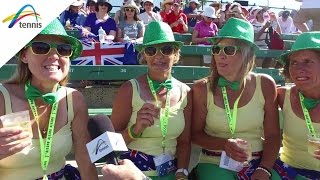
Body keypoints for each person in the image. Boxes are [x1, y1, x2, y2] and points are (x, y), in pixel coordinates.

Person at [0, 18, 98, 179]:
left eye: (63, 49)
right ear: (24, 55)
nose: (54, 55)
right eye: (41, 47)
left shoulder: (74, 99)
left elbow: (84, 158)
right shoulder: (2, 97)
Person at [191, 18, 281, 180]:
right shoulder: (201, 89)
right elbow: (195, 135)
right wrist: (224, 144)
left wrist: (264, 169)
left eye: (229, 50)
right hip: (214, 161)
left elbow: (273, 135)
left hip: (257, 162)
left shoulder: (265, 84)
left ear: (247, 54)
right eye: (217, 49)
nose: (220, 55)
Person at [111, 21, 192, 179]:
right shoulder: (129, 89)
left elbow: (184, 142)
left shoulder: (186, 92)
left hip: (170, 173)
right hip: (134, 172)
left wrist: (182, 171)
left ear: (175, 54)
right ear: (144, 55)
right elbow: (109, 143)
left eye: (166, 50)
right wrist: (135, 130)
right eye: (151, 50)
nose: (158, 56)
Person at [276, 31, 320, 179]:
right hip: (289, 173)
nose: (299, 68)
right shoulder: (282, 96)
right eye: (294, 62)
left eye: (308, 61)